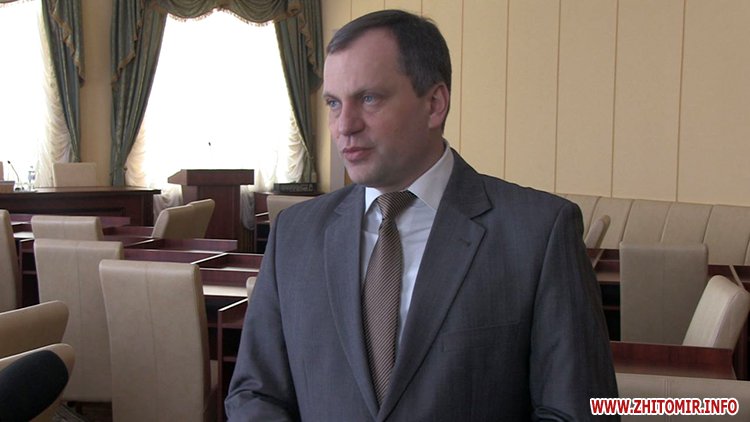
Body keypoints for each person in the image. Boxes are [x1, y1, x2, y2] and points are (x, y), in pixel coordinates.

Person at [226, 9, 618, 421]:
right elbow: (255, 393)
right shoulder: (295, 234)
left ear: (434, 104)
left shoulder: (538, 233)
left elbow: (579, 410)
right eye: (334, 103)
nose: (344, 125)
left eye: (369, 98)